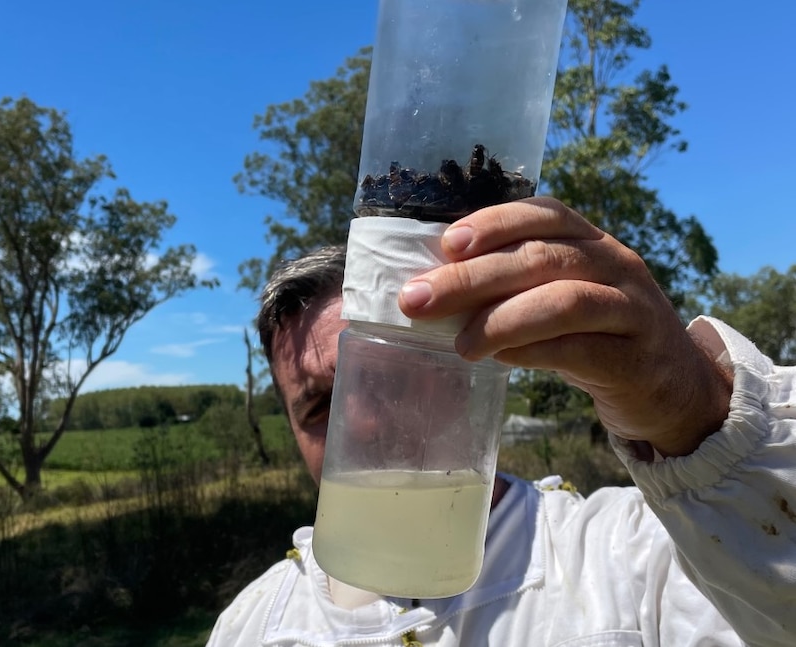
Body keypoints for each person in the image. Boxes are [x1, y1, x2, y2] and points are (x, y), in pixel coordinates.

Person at [207, 197, 796, 646]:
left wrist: (696, 413)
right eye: (318, 406)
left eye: (389, 373)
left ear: (472, 373)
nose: (356, 426)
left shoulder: (636, 555)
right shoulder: (253, 625)